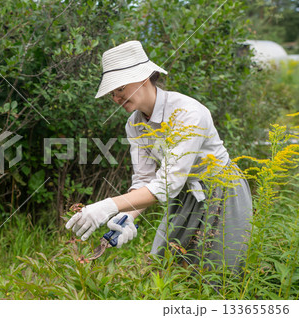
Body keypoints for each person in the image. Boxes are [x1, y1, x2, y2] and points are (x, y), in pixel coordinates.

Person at [65, 40, 253, 271]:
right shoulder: (134, 124)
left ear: (143, 78)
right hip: (184, 195)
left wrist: (108, 206)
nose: (115, 98)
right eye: (112, 93)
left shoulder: (187, 114)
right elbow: (145, 180)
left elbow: (167, 184)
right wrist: (128, 217)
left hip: (221, 192)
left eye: (120, 89)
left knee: (217, 273)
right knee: (166, 267)